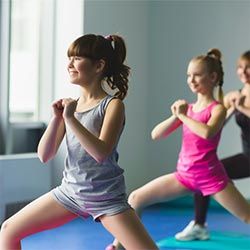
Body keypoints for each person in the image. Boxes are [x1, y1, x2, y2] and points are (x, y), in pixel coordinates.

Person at [0, 34, 157, 250]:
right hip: (70, 192)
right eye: (69, 58)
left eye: (77, 58)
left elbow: (101, 152)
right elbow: (44, 155)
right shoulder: (70, 108)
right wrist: (57, 119)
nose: (70, 64)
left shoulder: (112, 105)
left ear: (99, 65)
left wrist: (70, 119)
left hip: (106, 197)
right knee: (8, 230)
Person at [108, 48, 250, 250]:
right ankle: (119, 246)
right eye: (189, 75)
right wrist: (176, 116)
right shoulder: (189, 109)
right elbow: (156, 134)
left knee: (247, 217)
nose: (191, 80)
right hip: (184, 175)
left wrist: (183, 117)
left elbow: (208, 133)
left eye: (197, 75)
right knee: (135, 198)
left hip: (211, 178)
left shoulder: (218, 108)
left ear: (212, 77)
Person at [175, 50, 250, 241]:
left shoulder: (241, 100)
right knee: (206, 174)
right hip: (248, 156)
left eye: (248, 67)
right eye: (241, 67)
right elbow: (214, 128)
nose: (244, 71)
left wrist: (241, 107)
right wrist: (231, 107)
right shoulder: (238, 95)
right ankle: (199, 225)